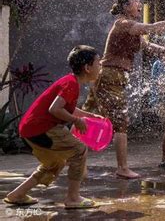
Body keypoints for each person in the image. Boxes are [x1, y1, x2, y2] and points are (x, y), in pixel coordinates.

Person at [83, 0, 165, 179]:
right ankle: (122, 168)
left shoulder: (131, 29)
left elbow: (146, 46)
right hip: (110, 76)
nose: (139, 4)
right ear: (125, 6)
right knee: (120, 123)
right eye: (136, 1)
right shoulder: (123, 24)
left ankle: (67, 156)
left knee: (87, 117)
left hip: (110, 77)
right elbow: (152, 27)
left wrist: (163, 50)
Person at [4, 45, 103, 209]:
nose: (100, 66)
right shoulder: (71, 84)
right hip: (40, 128)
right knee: (80, 150)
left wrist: (89, 116)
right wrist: (76, 121)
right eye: (98, 63)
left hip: (30, 129)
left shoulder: (71, 82)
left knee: (54, 164)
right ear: (87, 68)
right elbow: (54, 109)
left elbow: (67, 108)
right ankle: (73, 198)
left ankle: (17, 194)